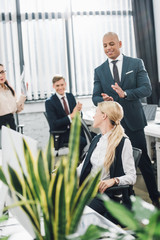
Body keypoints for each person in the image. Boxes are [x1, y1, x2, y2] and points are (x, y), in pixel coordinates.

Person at [92, 32, 160, 208]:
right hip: (113, 124)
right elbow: (94, 97)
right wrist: (103, 100)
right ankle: (128, 198)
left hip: (134, 121)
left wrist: (126, 94)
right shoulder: (99, 70)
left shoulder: (135, 64)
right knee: (116, 163)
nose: (108, 48)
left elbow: (146, 89)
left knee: (143, 161)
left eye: (112, 44)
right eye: (105, 45)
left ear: (120, 43)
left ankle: (155, 197)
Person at [77, 101, 136, 217]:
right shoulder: (97, 139)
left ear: (104, 116)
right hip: (88, 190)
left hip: (106, 196)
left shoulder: (123, 142)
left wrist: (114, 180)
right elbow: (82, 167)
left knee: (77, 214)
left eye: (96, 112)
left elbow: (132, 177)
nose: (94, 116)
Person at [45, 75, 87, 157]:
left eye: (62, 85)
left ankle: (81, 161)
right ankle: (77, 162)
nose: (60, 87)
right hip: (62, 132)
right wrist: (71, 116)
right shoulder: (49, 102)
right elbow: (54, 124)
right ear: (53, 86)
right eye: (57, 85)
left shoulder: (70, 96)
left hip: (75, 129)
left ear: (65, 84)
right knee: (82, 141)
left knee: (91, 136)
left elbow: (77, 114)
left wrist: (78, 111)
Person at [0, 64, 26, 131]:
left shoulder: (9, 89)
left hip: (11, 123)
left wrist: (23, 95)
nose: (1, 75)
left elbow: (16, 109)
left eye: (2, 72)